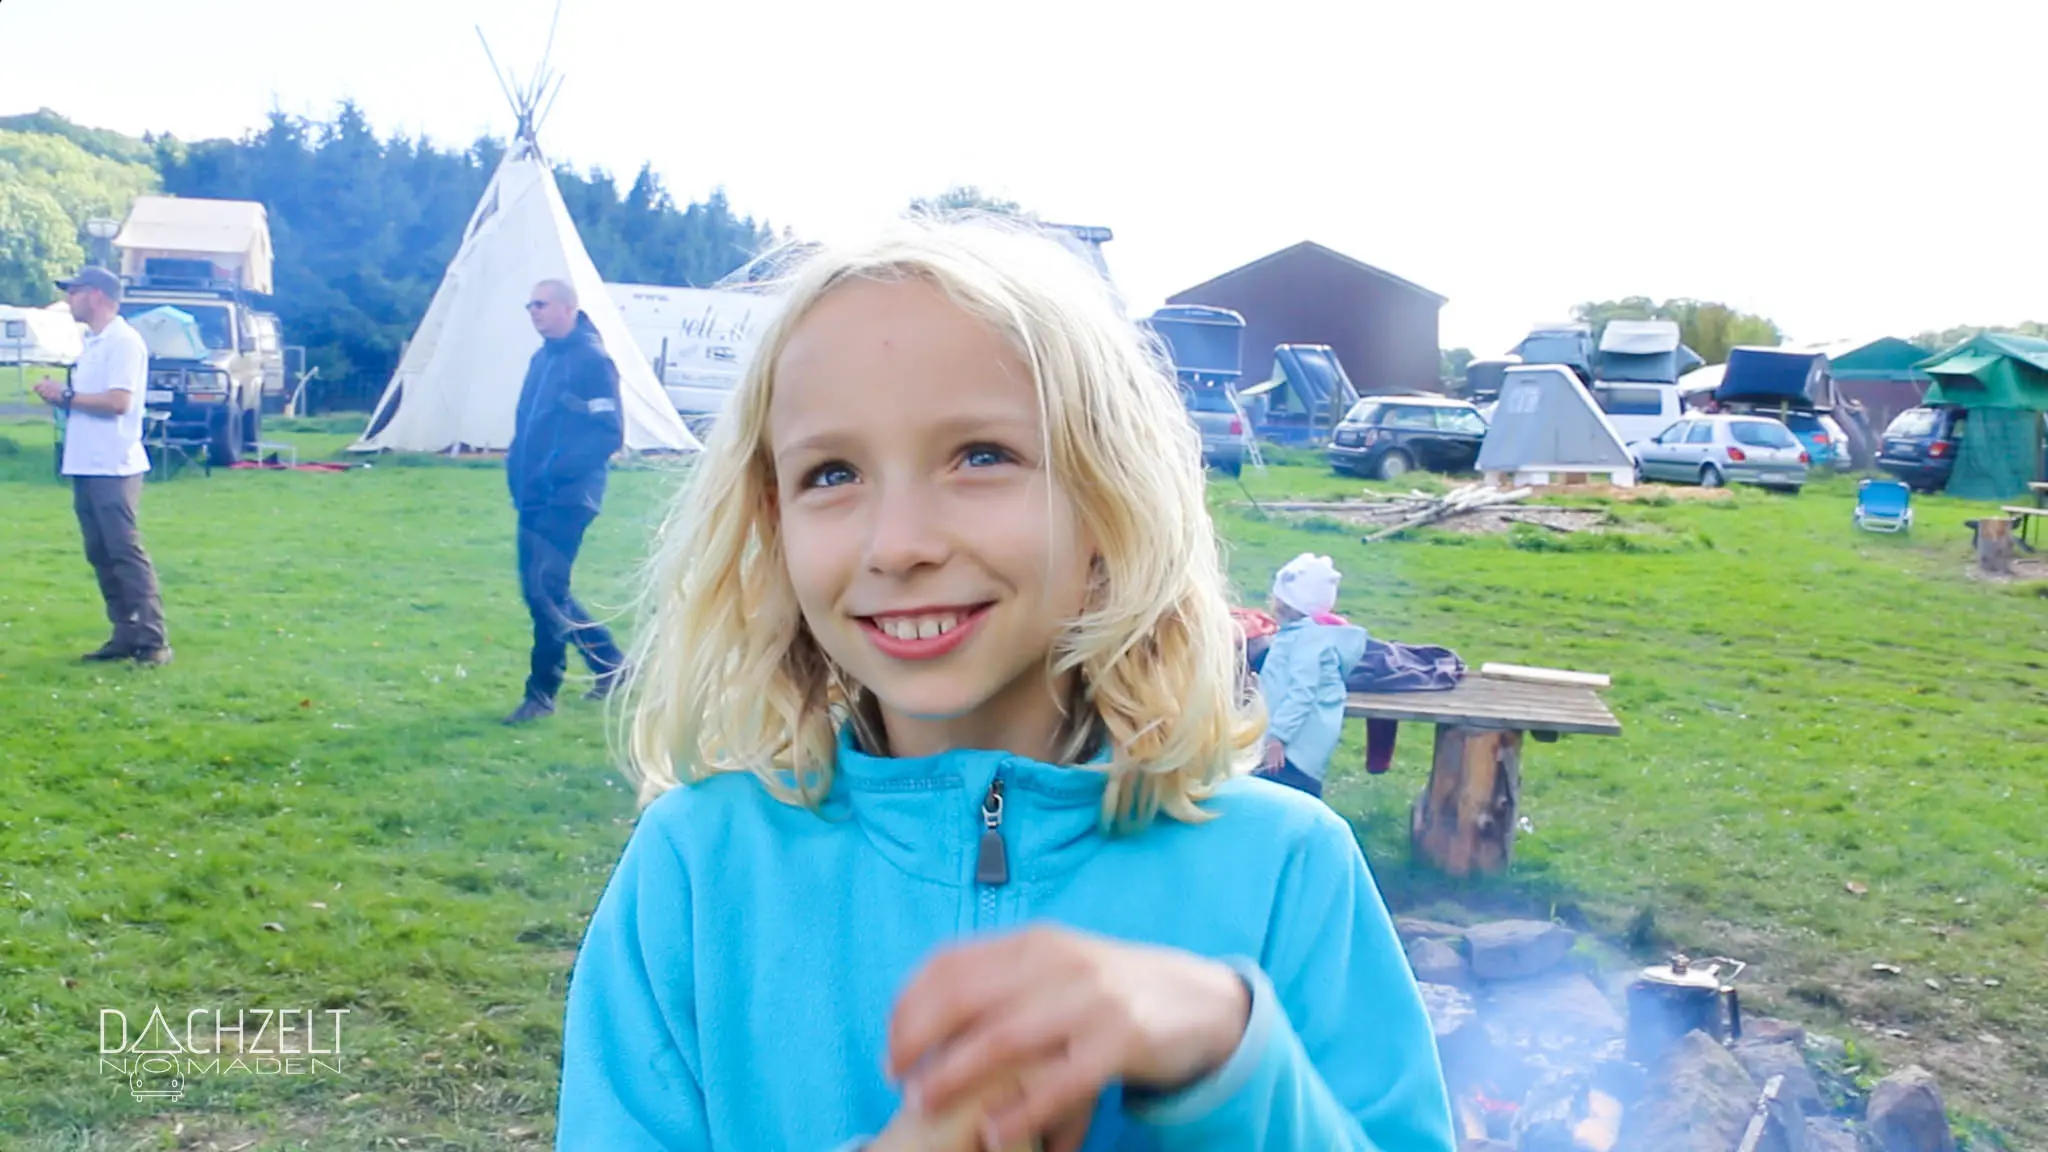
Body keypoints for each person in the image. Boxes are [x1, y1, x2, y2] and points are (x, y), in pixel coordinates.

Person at [555, 222, 1454, 1151]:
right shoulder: (699, 871)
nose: (899, 543)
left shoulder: (1287, 869)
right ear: (771, 521)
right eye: (832, 473)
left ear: (1111, 495)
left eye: (981, 455)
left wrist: (1229, 1057)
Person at [502, 278, 629, 725]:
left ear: (568, 308)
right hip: (534, 494)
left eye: (541, 304)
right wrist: (517, 473)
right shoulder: (542, 360)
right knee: (543, 591)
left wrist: (557, 474)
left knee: (544, 590)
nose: (533, 312)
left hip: (569, 497)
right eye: (529, 305)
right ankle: (612, 666)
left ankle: (542, 693)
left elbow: (609, 432)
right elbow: (526, 426)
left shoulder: (592, 360)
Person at [33, 266, 171, 666]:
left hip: (114, 464)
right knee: (101, 552)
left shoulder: (123, 342)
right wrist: (61, 397)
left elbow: (118, 402)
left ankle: (153, 640)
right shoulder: (94, 343)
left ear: (95, 295)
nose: (69, 299)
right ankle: (125, 633)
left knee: (124, 552)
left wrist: (67, 394)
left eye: (73, 292)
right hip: (87, 463)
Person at [1255, 554, 1369, 800]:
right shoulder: (1297, 635)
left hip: (1293, 749)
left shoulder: (1307, 640)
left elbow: (1302, 693)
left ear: (1285, 603)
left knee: (1285, 799)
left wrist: (1278, 737)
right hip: (1294, 743)